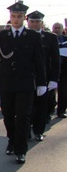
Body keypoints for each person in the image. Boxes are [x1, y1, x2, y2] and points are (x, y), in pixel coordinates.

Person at [0, 1, 46, 164]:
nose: (16, 19)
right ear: (10, 17)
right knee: (8, 115)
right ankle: (12, 141)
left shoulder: (33, 36)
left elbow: (38, 61)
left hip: (25, 82)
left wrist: (42, 82)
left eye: (19, 17)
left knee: (23, 116)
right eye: (13, 16)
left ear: (24, 18)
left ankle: (21, 149)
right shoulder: (1, 36)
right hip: (6, 83)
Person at [26, 11, 60, 141]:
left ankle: (38, 131)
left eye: (37, 21)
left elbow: (55, 60)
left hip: (44, 78)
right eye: (32, 21)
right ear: (28, 22)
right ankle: (26, 130)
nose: (35, 24)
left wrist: (53, 79)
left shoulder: (50, 38)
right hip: (27, 77)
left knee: (42, 106)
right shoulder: (23, 36)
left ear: (42, 23)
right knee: (27, 106)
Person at [52, 22, 67, 118]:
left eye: (59, 28)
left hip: (64, 69)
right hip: (52, 68)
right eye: (55, 28)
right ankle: (49, 110)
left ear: (62, 29)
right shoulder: (48, 39)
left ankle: (61, 110)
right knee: (50, 91)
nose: (57, 29)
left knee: (63, 91)